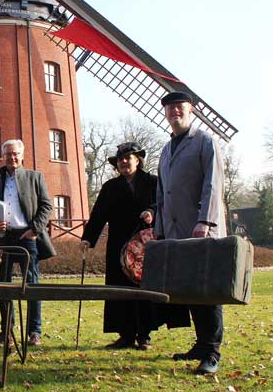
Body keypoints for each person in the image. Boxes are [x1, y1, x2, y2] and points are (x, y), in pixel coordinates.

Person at [154, 91, 227, 375]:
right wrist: (160, 229)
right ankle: (201, 343)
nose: (175, 113)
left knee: (207, 289)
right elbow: (162, 192)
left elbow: (213, 183)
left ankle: (212, 351)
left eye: (179, 108)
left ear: (191, 111)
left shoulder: (205, 141)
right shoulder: (166, 148)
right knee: (190, 288)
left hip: (200, 228)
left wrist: (205, 221)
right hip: (175, 230)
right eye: (170, 109)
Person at [80, 142, 160, 350]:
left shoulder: (152, 182)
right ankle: (125, 335)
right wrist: (88, 237)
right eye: (120, 159)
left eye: (128, 158)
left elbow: (161, 203)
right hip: (118, 243)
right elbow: (98, 215)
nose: (124, 162)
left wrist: (151, 212)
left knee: (143, 287)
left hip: (144, 244)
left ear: (138, 160)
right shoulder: (110, 187)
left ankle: (144, 335)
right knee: (119, 288)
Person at [0, 139, 55, 347]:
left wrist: (35, 228)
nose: (12, 158)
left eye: (15, 154)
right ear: (3, 156)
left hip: (26, 237)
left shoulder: (35, 177)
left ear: (22, 156)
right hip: (4, 237)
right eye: (7, 154)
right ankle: (6, 330)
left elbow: (46, 205)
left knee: (31, 284)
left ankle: (34, 331)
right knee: (3, 286)